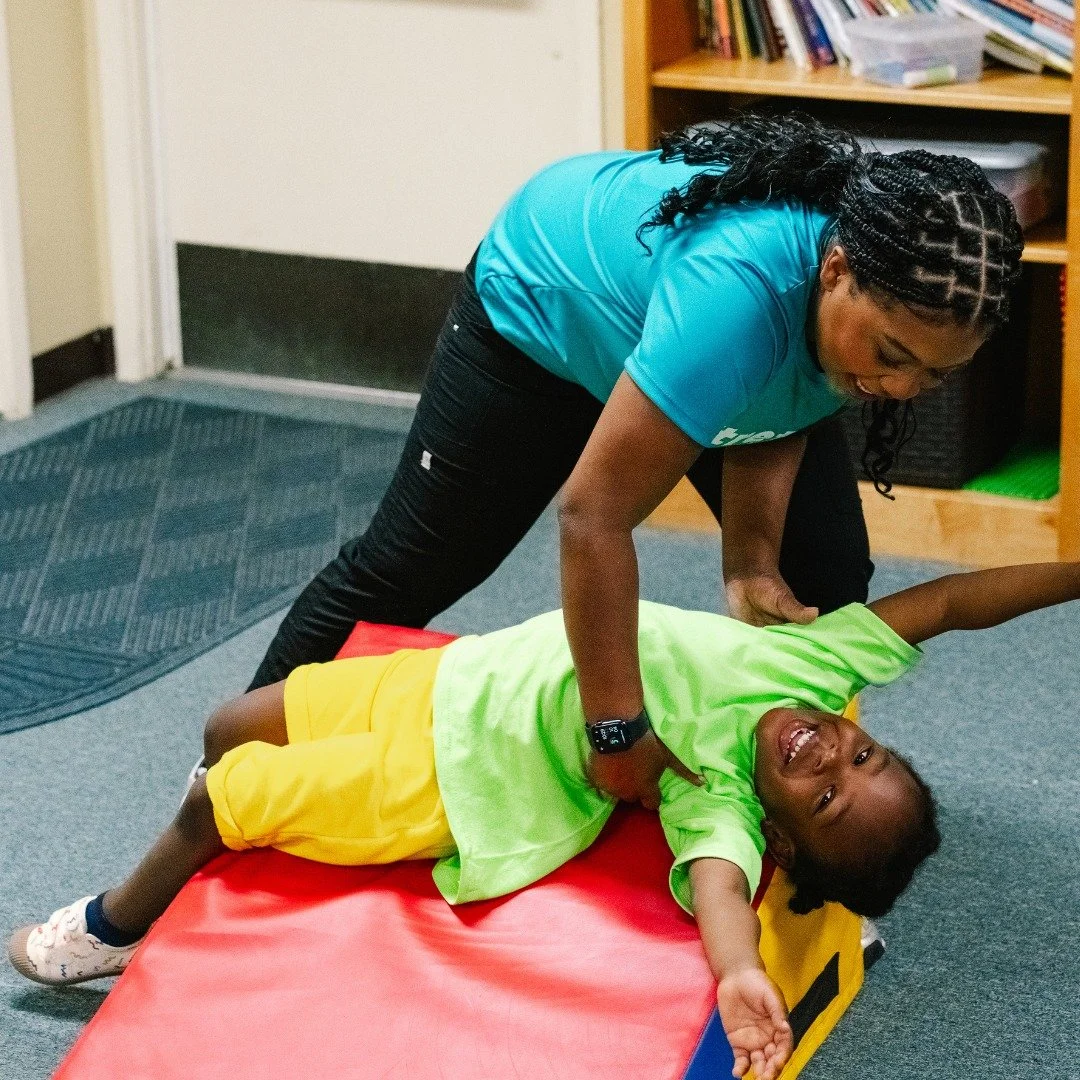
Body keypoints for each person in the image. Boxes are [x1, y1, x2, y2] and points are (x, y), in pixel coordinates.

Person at [12, 560, 1078, 1080]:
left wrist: (739, 973)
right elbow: (951, 605)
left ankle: (116, 925)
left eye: (829, 795)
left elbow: (718, 888)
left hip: (452, 777)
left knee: (221, 798)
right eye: (863, 753)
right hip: (459, 679)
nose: (829, 753)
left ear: (785, 838)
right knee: (226, 724)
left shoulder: (717, 791)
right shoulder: (815, 663)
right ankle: (193, 864)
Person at [242, 112, 1024, 808]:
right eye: (893, 356)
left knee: (819, 580)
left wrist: (751, 558)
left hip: (688, 336)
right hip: (543, 314)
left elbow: (789, 397)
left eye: (937, 374)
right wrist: (614, 728)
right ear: (835, 270)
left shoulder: (865, 314)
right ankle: (229, 767)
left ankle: (765, 801)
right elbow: (594, 516)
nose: (902, 388)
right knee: (416, 566)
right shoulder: (736, 302)